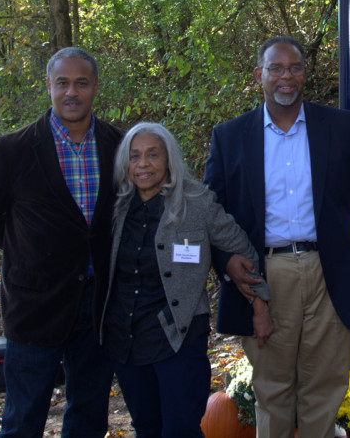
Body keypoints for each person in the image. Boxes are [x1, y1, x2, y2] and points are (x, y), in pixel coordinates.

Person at [203, 35, 350, 438]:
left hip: (331, 271)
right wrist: (225, 263)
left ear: (305, 73)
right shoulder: (231, 136)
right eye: (276, 69)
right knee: (273, 389)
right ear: (259, 75)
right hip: (264, 276)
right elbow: (211, 214)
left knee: (326, 385)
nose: (286, 77)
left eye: (294, 68)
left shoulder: (340, 127)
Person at [0, 47, 123, 438]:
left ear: (95, 88)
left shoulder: (120, 145)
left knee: (88, 413)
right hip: (35, 304)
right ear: (49, 86)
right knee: (24, 416)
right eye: (63, 83)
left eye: (81, 83)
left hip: (98, 303)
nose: (72, 92)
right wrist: (29, 249)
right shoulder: (14, 150)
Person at [98, 122, 271, 438]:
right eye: (135, 156)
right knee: (147, 427)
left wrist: (260, 304)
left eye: (153, 154)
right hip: (126, 338)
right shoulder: (115, 205)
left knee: (181, 429)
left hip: (178, 336)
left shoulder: (197, 201)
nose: (143, 164)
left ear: (168, 159)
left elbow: (240, 248)